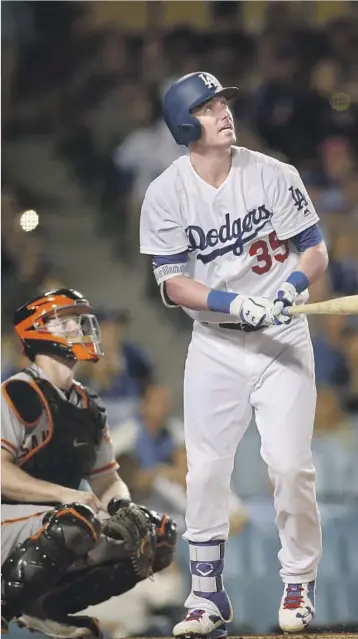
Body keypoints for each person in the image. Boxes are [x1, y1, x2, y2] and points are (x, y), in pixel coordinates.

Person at [139, 72, 329, 636]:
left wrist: (287, 290)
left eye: (222, 101)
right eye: (206, 105)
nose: (223, 110)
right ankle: (206, 596)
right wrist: (233, 303)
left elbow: (314, 251)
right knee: (204, 471)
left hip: (282, 338)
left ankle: (299, 581)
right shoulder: (166, 192)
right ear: (181, 124)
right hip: (217, 342)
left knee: (291, 466)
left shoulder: (273, 174)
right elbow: (173, 283)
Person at [1, 288, 177, 638]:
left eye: (79, 320)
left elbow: (107, 480)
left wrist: (125, 506)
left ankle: (45, 608)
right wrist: (64, 495)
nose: (80, 327)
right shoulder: (15, 393)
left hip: (50, 520)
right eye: (67, 321)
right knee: (76, 521)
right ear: (39, 331)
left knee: (156, 534)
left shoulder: (87, 405)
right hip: (9, 517)